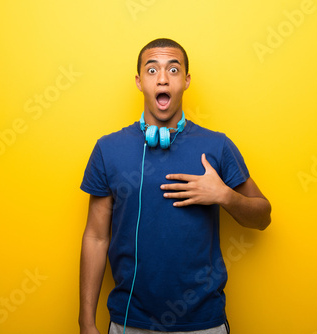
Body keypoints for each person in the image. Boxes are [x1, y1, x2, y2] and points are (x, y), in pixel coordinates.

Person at [79, 38, 271, 334]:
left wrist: (224, 195)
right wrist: (86, 322)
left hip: (204, 322)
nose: (163, 78)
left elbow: (263, 218)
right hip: (129, 320)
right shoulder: (108, 149)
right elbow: (95, 237)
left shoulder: (217, 146)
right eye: (152, 70)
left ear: (186, 81)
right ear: (139, 81)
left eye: (173, 69)